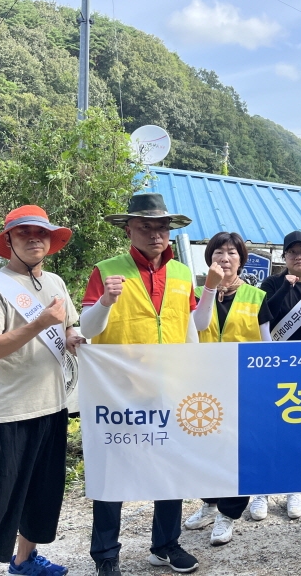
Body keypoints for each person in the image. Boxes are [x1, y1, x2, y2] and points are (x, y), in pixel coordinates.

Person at [79, 194, 199, 576]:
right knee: (112, 472)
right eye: (145, 226)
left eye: (161, 227)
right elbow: (87, 328)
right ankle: (106, 556)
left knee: (171, 469)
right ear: (128, 229)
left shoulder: (182, 273)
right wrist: (106, 302)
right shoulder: (107, 271)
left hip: (170, 387)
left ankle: (165, 545)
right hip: (119, 391)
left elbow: (189, 325)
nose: (155, 234)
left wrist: (196, 372)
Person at [0, 205, 82, 576]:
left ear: (50, 240)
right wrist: (39, 322)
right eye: (25, 232)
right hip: (9, 411)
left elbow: (66, 328)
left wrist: (72, 335)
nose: (35, 238)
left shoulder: (56, 284)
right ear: (9, 240)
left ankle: (24, 560)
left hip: (52, 405)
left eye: (42, 233)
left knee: (40, 494)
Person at [183, 232, 273, 544]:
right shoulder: (194, 293)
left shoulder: (256, 297)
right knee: (206, 445)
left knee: (240, 448)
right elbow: (195, 327)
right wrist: (209, 287)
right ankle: (209, 503)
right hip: (203, 384)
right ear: (209, 258)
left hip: (244, 384)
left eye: (232, 253)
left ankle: (228, 514)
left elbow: (266, 343)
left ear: (241, 260)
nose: (225, 258)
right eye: (219, 252)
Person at [254, 229, 301, 520]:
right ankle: (261, 489)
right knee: (269, 429)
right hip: (276, 367)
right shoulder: (270, 282)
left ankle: (294, 486)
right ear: (284, 257)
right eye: (292, 252)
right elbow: (260, 315)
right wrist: (285, 287)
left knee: (300, 430)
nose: (298, 256)